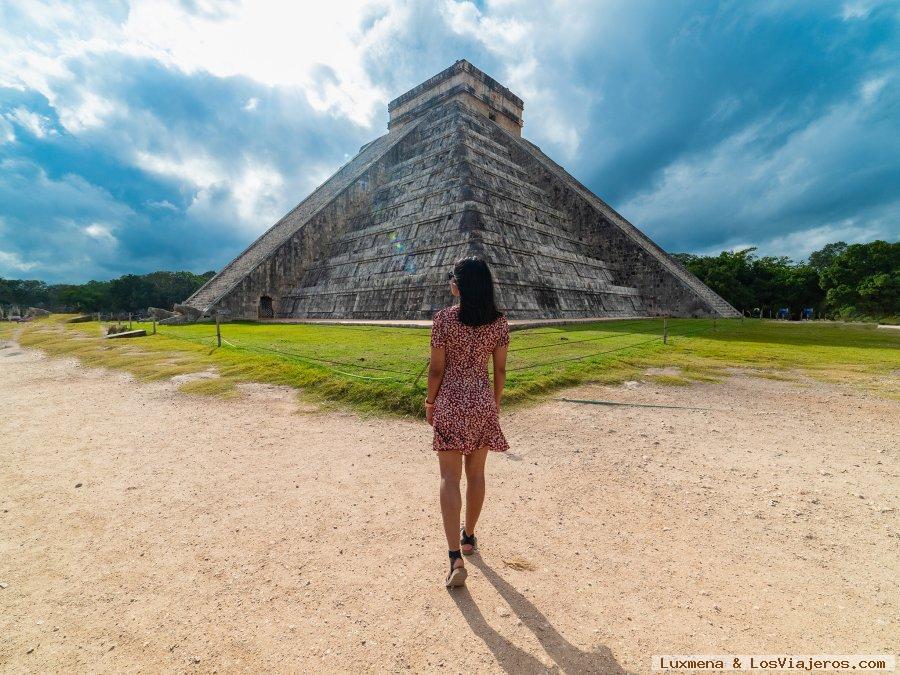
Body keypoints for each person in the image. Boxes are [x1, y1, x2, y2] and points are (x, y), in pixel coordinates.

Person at [425, 256, 510, 588]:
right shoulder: (499, 324)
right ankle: (469, 537)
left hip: (449, 400)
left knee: (449, 477)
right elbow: (500, 370)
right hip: (482, 400)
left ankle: (454, 559)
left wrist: (430, 402)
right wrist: (495, 403)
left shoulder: (444, 320)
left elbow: (436, 370)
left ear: (458, 285)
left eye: (451, 278)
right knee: (476, 475)